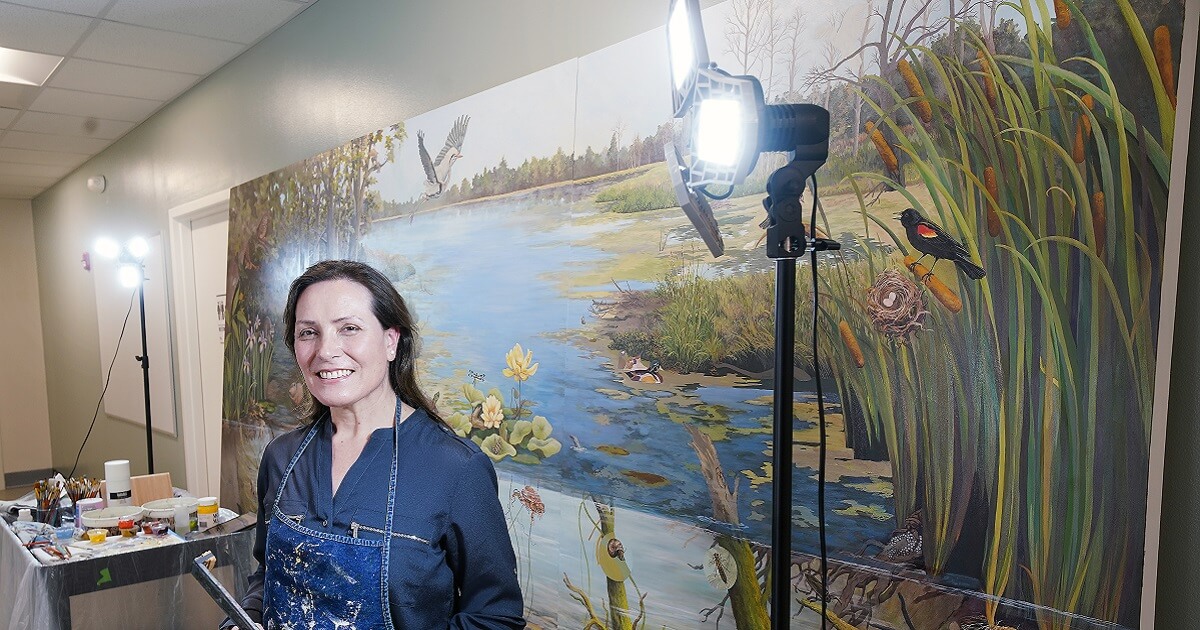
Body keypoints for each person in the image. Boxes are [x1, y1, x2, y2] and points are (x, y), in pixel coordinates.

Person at [222, 260, 525, 629]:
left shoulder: (456, 468)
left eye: (349, 328)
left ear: (390, 341)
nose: (326, 351)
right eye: (308, 333)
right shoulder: (281, 457)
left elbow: (494, 616)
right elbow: (268, 573)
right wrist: (245, 617)